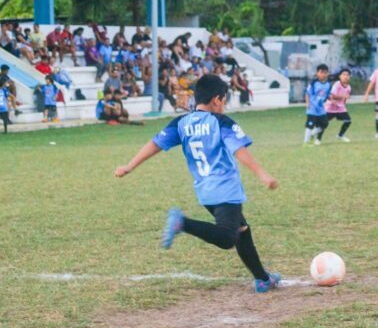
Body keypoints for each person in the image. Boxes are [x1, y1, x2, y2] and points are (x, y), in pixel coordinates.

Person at [114, 74, 281, 293]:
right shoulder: (221, 122)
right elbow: (239, 150)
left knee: (242, 230)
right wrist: (262, 174)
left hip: (205, 192)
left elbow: (155, 143)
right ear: (217, 100)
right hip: (225, 189)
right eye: (225, 101)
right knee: (227, 238)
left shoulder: (181, 123)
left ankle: (262, 279)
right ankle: (183, 223)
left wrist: (130, 165)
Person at [303, 64, 331, 146]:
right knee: (310, 125)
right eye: (321, 72)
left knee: (325, 124)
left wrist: (330, 98)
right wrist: (308, 103)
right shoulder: (313, 83)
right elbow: (307, 93)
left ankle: (312, 134)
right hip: (312, 108)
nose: (323, 74)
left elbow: (327, 95)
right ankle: (306, 143)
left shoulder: (328, 84)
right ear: (317, 73)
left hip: (321, 109)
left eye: (325, 73)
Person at [325, 68, 352, 142]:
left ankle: (340, 135)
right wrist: (343, 96)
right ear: (340, 76)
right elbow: (333, 96)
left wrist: (344, 106)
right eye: (344, 74)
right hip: (331, 107)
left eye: (347, 75)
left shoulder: (349, 87)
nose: (345, 76)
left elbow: (345, 99)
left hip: (340, 108)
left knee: (348, 121)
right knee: (323, 124)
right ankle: (317, 139)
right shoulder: (337, 84)